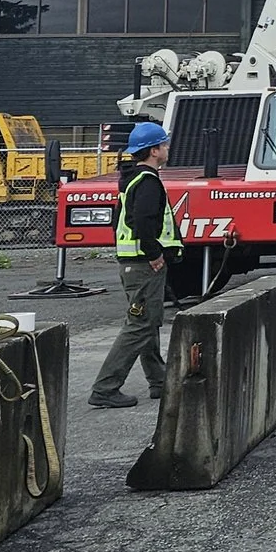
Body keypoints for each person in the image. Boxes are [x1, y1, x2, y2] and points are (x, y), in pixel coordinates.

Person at [90, 121, 180, 408]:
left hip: (133, 263)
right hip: (143, 264)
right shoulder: (148, 182)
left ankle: (158, 380)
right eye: (163, 145)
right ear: (154, 151)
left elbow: (120, 221)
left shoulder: (132, 179)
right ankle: (106, 387)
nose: (167, 149)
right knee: (141, 324)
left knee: (148, 322)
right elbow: (142, 222)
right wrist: (154, 254)